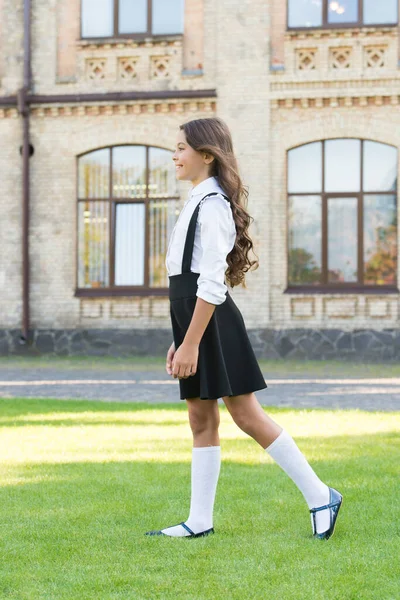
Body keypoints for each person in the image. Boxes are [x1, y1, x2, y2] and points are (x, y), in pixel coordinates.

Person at [145, 117, 342, 540]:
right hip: (194, 320)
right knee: (201, 418)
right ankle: (199, 521)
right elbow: (186, 279)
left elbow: (212, 283)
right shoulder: (196, 200)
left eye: (181, 148)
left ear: (207, 155)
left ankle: (321, 494)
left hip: (211, 321)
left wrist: (191, 342)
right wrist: (178, 341)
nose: (174, 155)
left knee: (245, 414)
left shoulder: (212, 205)